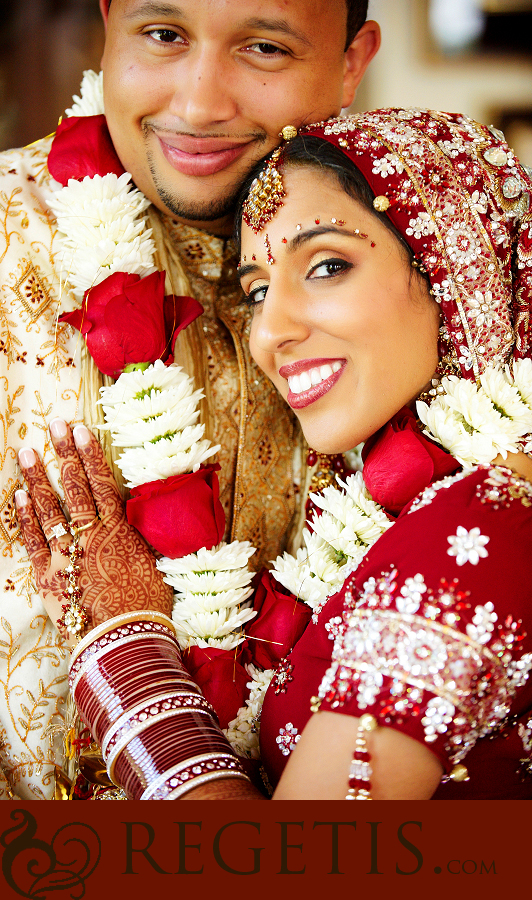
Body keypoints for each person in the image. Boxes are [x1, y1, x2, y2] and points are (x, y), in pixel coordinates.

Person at [17, 107, 532, 799]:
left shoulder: (484, 528)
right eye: (258, 289)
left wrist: (127, 650)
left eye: (326, 265)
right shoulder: (456, 503)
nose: (270, 334)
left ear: (452, 267)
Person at [0, 0, 380, 799]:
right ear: (108, 21)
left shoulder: (434, 271)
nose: (200, 102)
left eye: (265, 48)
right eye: (164, 36)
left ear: (352, 61)